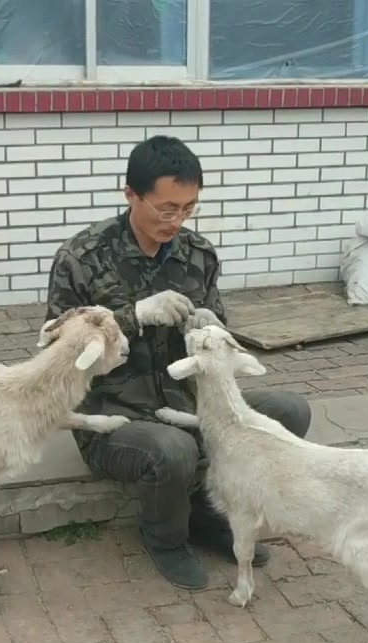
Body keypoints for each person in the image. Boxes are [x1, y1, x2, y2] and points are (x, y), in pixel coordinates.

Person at [44, 135, 312, 590]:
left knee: (290, 412)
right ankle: (166, 536)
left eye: (188, 208)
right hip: (114, 415)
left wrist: (211, 331)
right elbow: (56, 353)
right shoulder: (81, 259)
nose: (177, 220)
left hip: (187, 406)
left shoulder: (198, 254)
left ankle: (208, 511)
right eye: (166, 208)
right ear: (131, 194)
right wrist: (132, 317)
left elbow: (218, 344)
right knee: (173, 449)